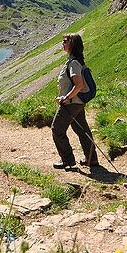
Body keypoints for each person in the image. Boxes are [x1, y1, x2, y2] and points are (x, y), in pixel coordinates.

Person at [51, 33, 97, 169]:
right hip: (77, 103)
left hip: (70, 104)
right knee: (82, 130)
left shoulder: (74, 63)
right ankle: (91, 160)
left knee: (57, 129)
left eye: (65, 41)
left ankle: (67, 160)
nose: (63, 43)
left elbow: (79, 85)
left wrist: (65, 98)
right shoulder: (75, 61)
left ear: (72, 44)